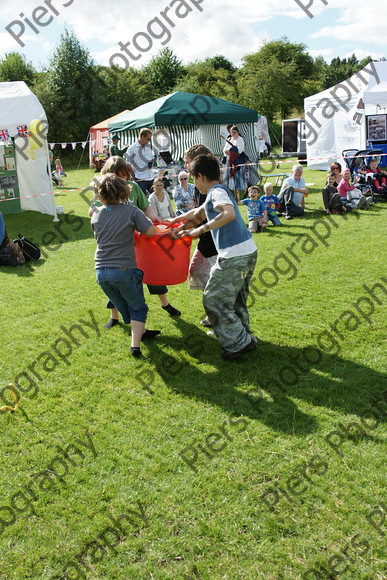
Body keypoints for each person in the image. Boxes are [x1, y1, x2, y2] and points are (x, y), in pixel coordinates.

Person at [172, 154, 258, 361]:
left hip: (234, 255)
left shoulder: (217, 192)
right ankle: (243, 336)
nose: (193, 183)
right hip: (247, 250)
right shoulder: (216, 191)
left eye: (192, 178)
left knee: (213, 299)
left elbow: (228, 213)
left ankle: (239, 343)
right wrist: (174, 220)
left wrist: (199, 230)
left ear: (200, 176)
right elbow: (200, 212)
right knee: (236, 298)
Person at [89, 157, 181, 327]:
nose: (121, 179)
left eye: (124, 176)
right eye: (117, 176)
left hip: (141, 242)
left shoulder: (134, 188)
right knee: (118, 281)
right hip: (117, 245)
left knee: (152, 273)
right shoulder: (103, 190)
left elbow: (146, 207)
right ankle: (114, 316)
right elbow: (91, 211)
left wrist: (154, 218)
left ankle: (165, 304)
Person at [91, 174, 160, 357]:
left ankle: (141, 331)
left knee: (126, 308)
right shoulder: (132, 211)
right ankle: (135, 346)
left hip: (100, 272)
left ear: (100, 193)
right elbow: (151, 231)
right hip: (124, 269)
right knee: (138, 307)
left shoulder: (96, 214)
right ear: (124, 190)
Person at [125, 128, 155, 195]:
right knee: (142, 202)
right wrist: (133, 177)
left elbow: (152, 158)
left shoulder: (148, 147)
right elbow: (128, 164)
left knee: (156, 198)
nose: (149, 141)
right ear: (142, 136)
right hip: (140, 179)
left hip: (151, 177)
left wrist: (151, 162)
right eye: (148, 139)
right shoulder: (131, 148)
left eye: (150, 139)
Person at [223, 126, 247, 202]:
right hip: (229, 161)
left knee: (240, 177)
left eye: (234, 132)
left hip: (237, 161)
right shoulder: (229, 139)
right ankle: (236, 196)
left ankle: (245, 192)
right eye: (231, 132)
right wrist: (226, 151)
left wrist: (231, 150)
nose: (232, 133)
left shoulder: (240, 139)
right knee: (231, 178)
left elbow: (240, 150)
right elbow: (224, 149)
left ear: (237, 132)